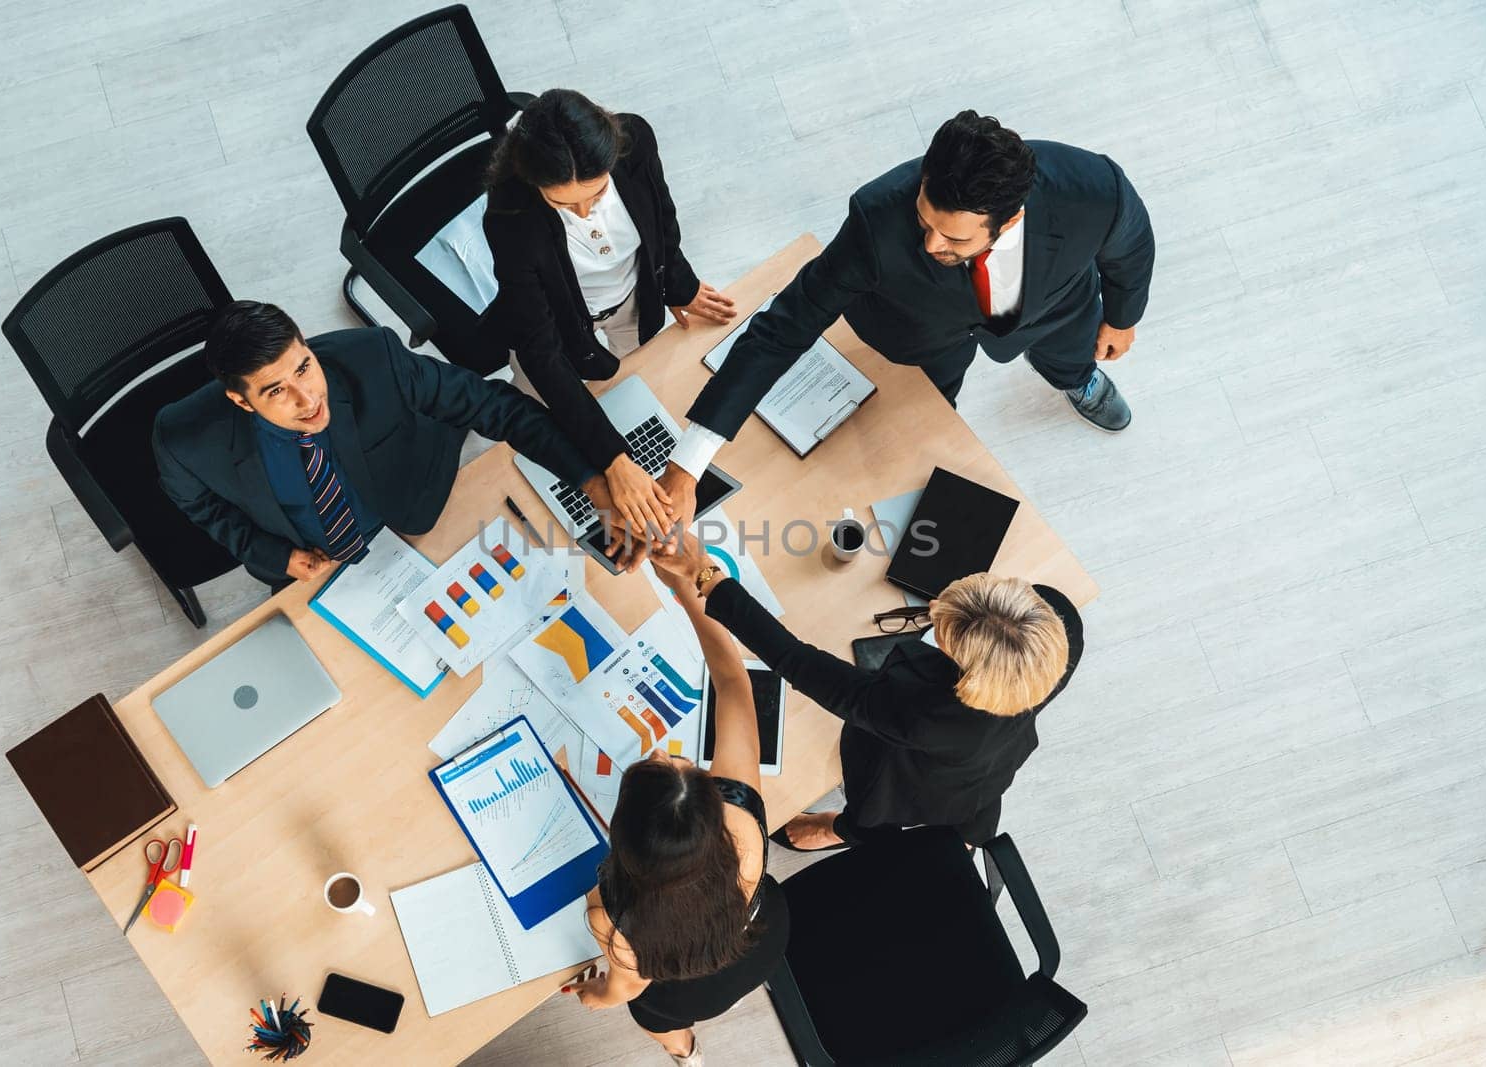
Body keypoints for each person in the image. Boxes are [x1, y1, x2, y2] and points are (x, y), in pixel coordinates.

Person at [657, 110, 1154, 531]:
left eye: (954, 239)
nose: (931, 245)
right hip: (923, 336)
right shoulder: (876, 217)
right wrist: (689, 459)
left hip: (1056, 311)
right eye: (925, 221)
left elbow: (1130, 247)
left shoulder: (1094, 191)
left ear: (1012, 219)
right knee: (930, 414)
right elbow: (783, 328)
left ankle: (1076, 379)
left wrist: (1123, 317)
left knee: (1074, 355)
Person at [655, 535, 1083, 850]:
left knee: (875, 806)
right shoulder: (1057, 623)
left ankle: (841, 830)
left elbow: (794, 661)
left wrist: (705, 575)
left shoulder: (924, 715)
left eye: (945, 627)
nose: (934, 612)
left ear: (971, 671)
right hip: (991, 760)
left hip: (923, 785)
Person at [153, 300, 617, 589]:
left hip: (415, 509)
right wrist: (272, 556)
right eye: (276, 391)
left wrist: (592, 484)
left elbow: (498, 407)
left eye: (304, 367)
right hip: (314, 570)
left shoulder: (372, 358)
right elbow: (204, 509)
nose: (308, 397)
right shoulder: (183, 442)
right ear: (241, 400)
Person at [564, 545, 787, 1066]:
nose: (663, 749)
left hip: (684, 992)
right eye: (682, 763)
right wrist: (690, 593)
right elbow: (734, 681)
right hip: (762, 942)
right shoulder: (742, 819)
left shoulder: (610, 914)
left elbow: (625, 988)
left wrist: (595, 995)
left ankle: (683, 1049)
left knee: (659, 1021)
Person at [484, 88, 736, 545]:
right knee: (548, 419)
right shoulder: (510, 218)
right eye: (564, 204)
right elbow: (542, 355)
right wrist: (613, 459)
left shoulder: (635, 140)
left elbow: (662, 218)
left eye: (597, 194)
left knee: (637, 387)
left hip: (632, 300)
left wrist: (677, 284)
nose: (585, 213)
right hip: (555, 327)